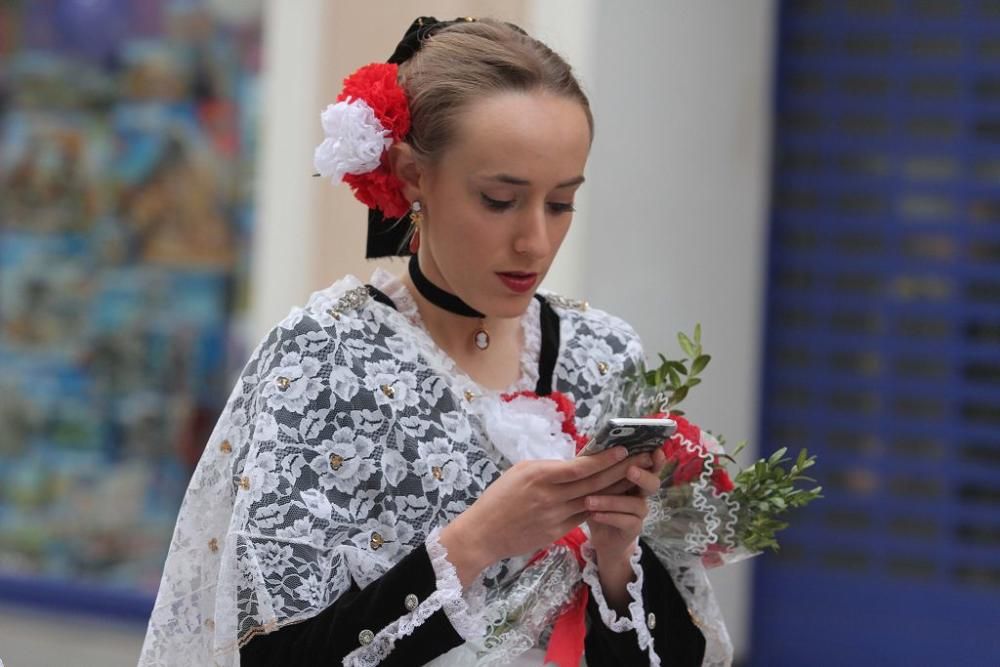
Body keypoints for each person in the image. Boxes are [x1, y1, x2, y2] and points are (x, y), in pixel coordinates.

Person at [139, 16, 723, 667]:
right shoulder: (327, 358)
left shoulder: (603, 355)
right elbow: (276, 654)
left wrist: (618, 555)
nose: (534, 240)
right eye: (500, 199)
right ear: (413, 176)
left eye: (560, 203)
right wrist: (475, 540)